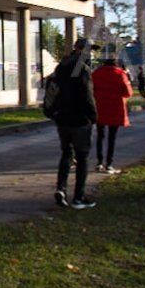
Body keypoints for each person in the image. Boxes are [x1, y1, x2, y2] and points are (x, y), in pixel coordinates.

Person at [44, 38, 99, 209]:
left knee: (66, 154)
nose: (91, 53)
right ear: (80, 49)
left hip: (62, 118)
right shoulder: (82, 68)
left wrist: (52, 111)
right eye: (89, 49)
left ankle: (61, 189)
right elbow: (87, 94)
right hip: (79, 119)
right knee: (82, 157)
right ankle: (78, 197)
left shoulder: (61, 67)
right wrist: (93, 116)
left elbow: (53, 88)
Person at [92, 58, 133, 174]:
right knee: (112, 137)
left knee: (100, 136)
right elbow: (128, 92)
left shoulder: (96, 74)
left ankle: (99, 162)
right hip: (115, 108)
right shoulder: (120, 74)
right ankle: (109, 164)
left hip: (99, 107)